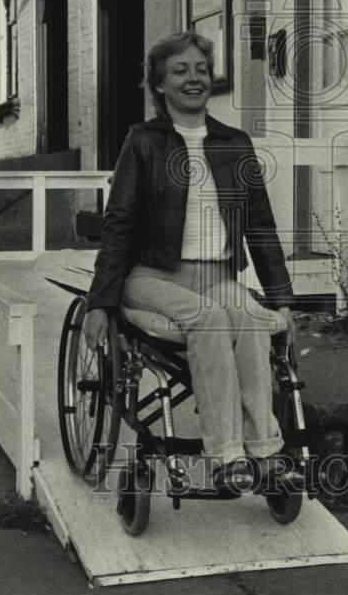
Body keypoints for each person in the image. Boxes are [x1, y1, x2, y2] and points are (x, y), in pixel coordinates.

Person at [83, 30, 296, 490]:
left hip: (216, 275)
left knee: (249, 316)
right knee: (210, 318)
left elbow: (260, 224)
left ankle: (265, 450)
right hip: (152, 278)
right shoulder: (143, 141)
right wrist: (100, 301)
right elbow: (118, 223)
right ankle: (225, 453)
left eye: (201, 69)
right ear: (160, 84)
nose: (193, 79)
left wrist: (280, 299)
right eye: (180, 71)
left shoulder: (234, 143)